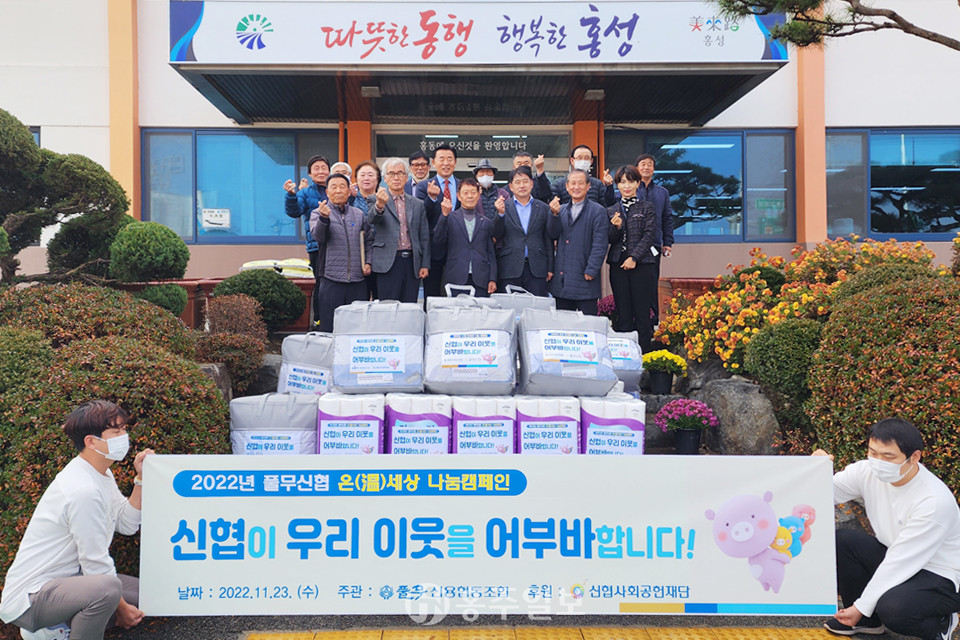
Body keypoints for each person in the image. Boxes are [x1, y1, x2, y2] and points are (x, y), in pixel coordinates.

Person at [0, 400, 152, 640]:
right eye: (116, 432)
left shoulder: (100, 473)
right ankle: (50, 629)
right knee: (109, 590)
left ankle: (55, 626)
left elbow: (127, 524)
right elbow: (95, 563)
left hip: (70, 584)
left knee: (147, 596)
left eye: (124, 429)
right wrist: (121, 610)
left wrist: (141, 478)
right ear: (91, 441)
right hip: (31, 598)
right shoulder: (83, 489)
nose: (124, 436)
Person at [814, 418, 960, 640]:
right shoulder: (865, 471)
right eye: (873, 452)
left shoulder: (933, 501)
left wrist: (861, 606)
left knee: (894, 610)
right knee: (844, 541)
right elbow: (822, 494)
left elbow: (902, 560)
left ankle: (940, 624)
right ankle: (867, 622)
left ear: (914, 457)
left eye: (888, 457)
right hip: (899, 556)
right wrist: (815, 471)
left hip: (942, 573)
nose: (878, 462)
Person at [308, 173, 373, 332]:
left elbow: (369, 240)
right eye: (334, 187)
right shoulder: (318, 213)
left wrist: (368, 262)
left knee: (357, 328)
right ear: (327, 192)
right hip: (331, 280)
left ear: (349, 191)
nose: (338, 190)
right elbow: (318, 237)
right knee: (330, 328)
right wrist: (324, 219)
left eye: (342, 186)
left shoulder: (359, 214)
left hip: (357, 281)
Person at [606, 165, 659, 353]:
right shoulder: (612, 209)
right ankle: (625, 357)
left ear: (637, 183)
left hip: (642, 265)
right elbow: (610, 239)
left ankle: (644, 356)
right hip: (618, 265)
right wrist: (616, 227)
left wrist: (634, 257)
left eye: (630, 181)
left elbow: (649, 235)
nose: (626, 186)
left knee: (643, 313)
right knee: (623, 313)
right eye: (622, 182)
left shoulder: (647, 207)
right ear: (617, 185)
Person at [368, 158, 430, 304]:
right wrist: (379, 205)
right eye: (391, 173)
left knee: (409, 307)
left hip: (411, 262)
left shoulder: (417, 204)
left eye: (400, 173)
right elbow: (372, 220)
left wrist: (425, 264)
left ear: (406, 177)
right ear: (385, 178)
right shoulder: (375, 199)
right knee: (387, 307)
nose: (396, 177)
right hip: (388, 262)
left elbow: (424, 236)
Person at [546, 169, 609, 315]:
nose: (576, 187)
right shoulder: (560, 210)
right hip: (562, 278)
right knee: (563, 323)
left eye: (580, 183)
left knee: (588, 323)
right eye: (573, 183)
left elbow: (600, 244)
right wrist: (554, 215)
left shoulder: (597, 211)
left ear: (588, 186)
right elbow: (552, 234)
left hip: (585, 277)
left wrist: (592, 269)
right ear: (567, 187)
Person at [283, 154, 330, 323]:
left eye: (324, 168)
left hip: (338, 245)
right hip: (317, 246)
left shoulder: (336, 189)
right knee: (321, 283)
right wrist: (291, 195)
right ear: (310, 174)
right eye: (316, 168)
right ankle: (320, 320)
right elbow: (294, 211)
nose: (320, 171)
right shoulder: (305, 192)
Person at [493, 166, 553, 297]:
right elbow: (496, 234)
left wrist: (550, 267)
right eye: (517, 182)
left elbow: (547, 238)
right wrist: (500, 214)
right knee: (511, 307)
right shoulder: (503, 206)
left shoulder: (543, 207)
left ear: (532, 184)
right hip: (510, 268)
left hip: (537, 268)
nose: (522, 185)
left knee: (537, 306)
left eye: (525, 181)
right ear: (511, 186)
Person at [433, 178, 497, 297]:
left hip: (481, 278)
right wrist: (444, 216)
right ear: (458, 196)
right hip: (456, 276)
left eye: (473, 192)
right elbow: (438, 240)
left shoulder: (486, 222)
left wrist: (492, 278)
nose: (470, 196)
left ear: (478, 195)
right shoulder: (450, 218)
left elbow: (491, 253)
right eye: (465, 193)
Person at [635, 153, 674, 331]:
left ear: (654, 169)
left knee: (651, 283)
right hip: (633, 246)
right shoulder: (631, 189)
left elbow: (667, 218)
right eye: (643, 164)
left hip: (654, 245)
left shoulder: (662, 192)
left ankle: (652, 321)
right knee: (635, 283)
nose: (646, 167)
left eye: (649, 164)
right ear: (637, 168)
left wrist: (668, 242)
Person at [414, 144, 459, 300]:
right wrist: (431, 198)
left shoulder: (463, 186)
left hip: (458, 249)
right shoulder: (423, 187)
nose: (446, 163)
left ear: (455, 162)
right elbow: (420, 216)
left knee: (456, 294)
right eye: (441, 159)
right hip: (433, 250)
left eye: (450, 159)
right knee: (432, 295)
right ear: (433, 163)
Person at [543, 145, 616, 209]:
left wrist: (609, 186)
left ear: (591, 161)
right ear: (572, 161)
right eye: (579, 158)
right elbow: (553, 204)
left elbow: (607, 205)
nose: (583, 161)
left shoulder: (598, 184)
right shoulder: (560, 184)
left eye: (586, 158)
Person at [352, 160, 383, 300]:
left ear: (378, 179)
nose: (366, 178)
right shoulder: (350, 201)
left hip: (382, 255)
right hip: (357, 255)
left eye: (370, 175)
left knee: (380, 298)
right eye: (362, 175)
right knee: (359, 298)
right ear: (356, 179)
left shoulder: (385, 199)